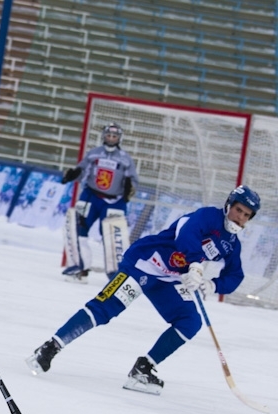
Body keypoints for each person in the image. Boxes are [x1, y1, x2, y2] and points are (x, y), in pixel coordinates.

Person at [26, 186, 261, 396]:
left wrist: (212, 284)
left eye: (246, 215)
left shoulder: (232, 244)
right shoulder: (208, 216)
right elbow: (186, 234)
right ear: (229, 205)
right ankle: (50, 347)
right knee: (105, 309)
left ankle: (144, 368)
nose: (240, 217)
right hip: (144, 263)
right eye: (238, 210)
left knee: (190, 321)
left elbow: (235, 275)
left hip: (169, 279)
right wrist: (196, 264)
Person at [60, 122, 139, 282]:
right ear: (104, 136)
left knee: (114, 237)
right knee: (78, 229)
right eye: (108, 135)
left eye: (114, 136)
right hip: (91, 197)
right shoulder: (94, 153)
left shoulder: (125, 159)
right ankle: (80, 268)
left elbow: (133, 179)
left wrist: (130, 187)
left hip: (114, 201)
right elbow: (82, 171)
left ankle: (116, 274)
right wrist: (73, 174)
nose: (111, 138)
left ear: (119, 138)